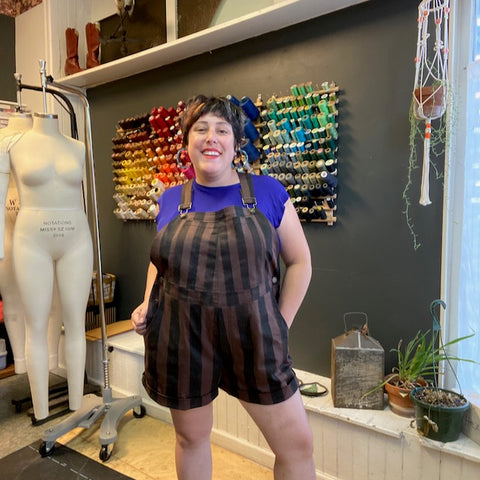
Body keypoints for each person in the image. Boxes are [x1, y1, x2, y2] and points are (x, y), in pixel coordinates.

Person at [131, 95, 315, 479]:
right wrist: (147, 303)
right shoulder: (170, 200)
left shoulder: (267, 192)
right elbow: (159, 262)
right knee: (190, 440)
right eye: (200, 129)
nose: (210, 137)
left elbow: (300, 264)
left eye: (221, 130)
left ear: (235, 144)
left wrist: (279, 324)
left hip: (255, 338)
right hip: (183, 340)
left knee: (297, 446)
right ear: (186, 144)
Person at [4, 112, 93, 420]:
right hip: (32, 239)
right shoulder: (12, 144)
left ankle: (76, 402)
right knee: (36, 324)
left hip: (76, 237)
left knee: (76, 322)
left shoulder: (78, 145)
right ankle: (41, 409)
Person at [0, 112, 63, 375]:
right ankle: (24, 363)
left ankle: (48, 358)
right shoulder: (9, 141)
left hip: (36, 219)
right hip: (10, 218)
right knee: (13, 295)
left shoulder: (42, 140)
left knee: (49, 295)